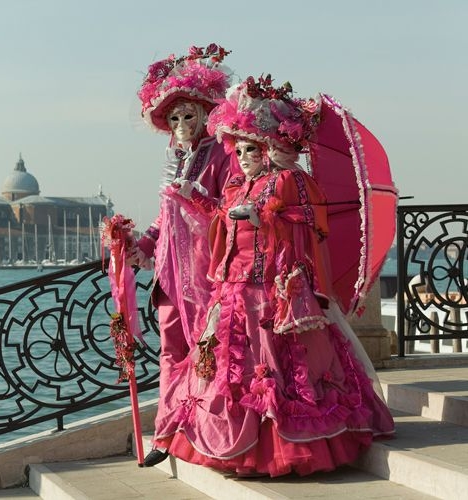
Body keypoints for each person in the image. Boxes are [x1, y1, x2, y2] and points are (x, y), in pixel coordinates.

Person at [151, 75, 395, 477]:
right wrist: (191, 196)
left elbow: (307, 222)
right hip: (234, 291)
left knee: (283, 373)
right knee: (225, 369)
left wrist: (265, 218)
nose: (242, 157)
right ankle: (230, 441)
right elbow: (220, 223)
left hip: (271, 290)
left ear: (270, 150)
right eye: (239, 149)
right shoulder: (238, 187)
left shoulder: (289, 180)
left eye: (251, 149)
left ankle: (282, 445)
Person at [129, 43, 239, 467]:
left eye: (187, 115)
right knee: (171, 351)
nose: (180, 124)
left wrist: (199, 200)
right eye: (173, 118)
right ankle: (167, 432)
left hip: (209, 274)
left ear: (205, 114)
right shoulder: (177, 160)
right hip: (171, 274)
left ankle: (210, 433)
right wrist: (140, 243)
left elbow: (230, 210)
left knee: (210, 350)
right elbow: (164, 219)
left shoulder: (224, 155)